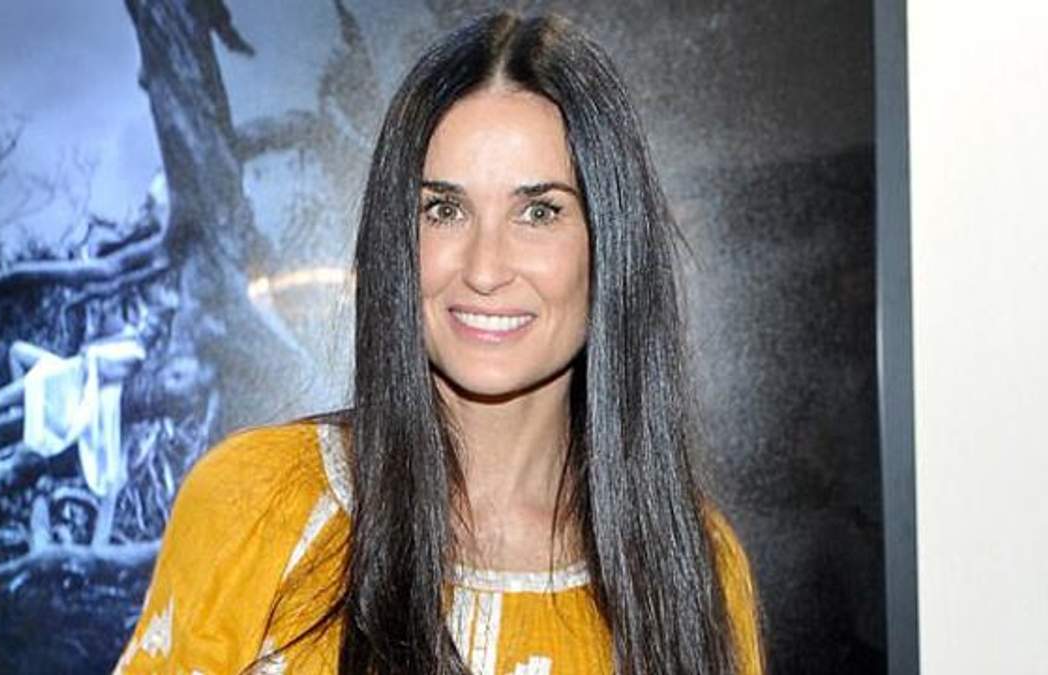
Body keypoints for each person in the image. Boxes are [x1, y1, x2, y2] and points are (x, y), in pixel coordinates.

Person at [115, 9, 763, 675]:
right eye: (444, 209)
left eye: (539, 211)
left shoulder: (695, 568)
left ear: (610, 242)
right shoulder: (254, 502)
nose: (484, 268)